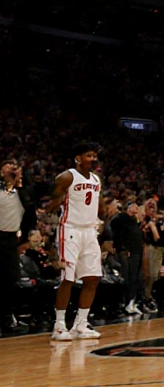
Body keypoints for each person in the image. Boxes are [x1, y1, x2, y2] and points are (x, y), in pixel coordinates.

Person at [46, 142, 104, 341]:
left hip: (90, 231)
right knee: (67, 278)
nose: (93, 158)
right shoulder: (67, 176)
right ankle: (59, 326)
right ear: (78, 158)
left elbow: (100, 206)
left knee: (92, 278)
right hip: (69, 229)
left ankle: (81, 324)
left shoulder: (97, 179)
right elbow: (51, 199)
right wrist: (47, 211)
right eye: (89, 155)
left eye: (94, 155)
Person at [1, 158, 38, 334]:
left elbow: (30, 207)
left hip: (10, 239)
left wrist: (19, 181)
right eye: (8, 167)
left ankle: (8, 316)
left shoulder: (22, 192)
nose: (12, 170)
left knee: (11, 278)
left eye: (15, 169)